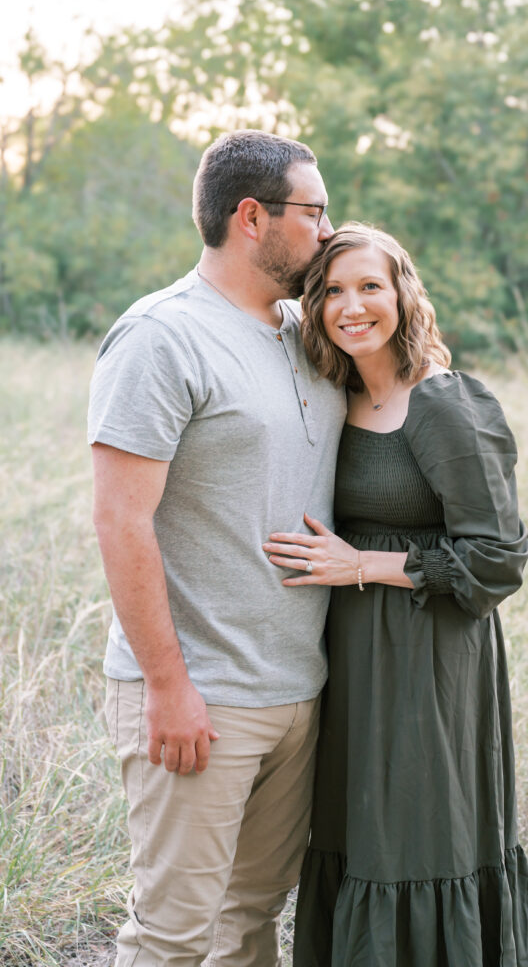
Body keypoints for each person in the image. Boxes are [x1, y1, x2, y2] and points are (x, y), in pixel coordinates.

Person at [88, 129, 346, 967]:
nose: (328, 229)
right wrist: (168, 686)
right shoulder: (161, 337)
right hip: (199, 700)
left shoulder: (305, 331)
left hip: (295, 691)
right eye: (314, 211)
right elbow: (120, 521)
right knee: (170, 935)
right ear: (251, 217)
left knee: (248, 923)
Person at [263, 223, 528, 967]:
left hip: (429, 662)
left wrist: (362, 566)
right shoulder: (330, 400)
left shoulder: (441, 404)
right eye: (333, 291)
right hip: (349, 663)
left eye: (370, 286)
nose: (351, 306)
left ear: (402, 293)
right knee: (356, 837)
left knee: (417, 838)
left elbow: (498, 557)